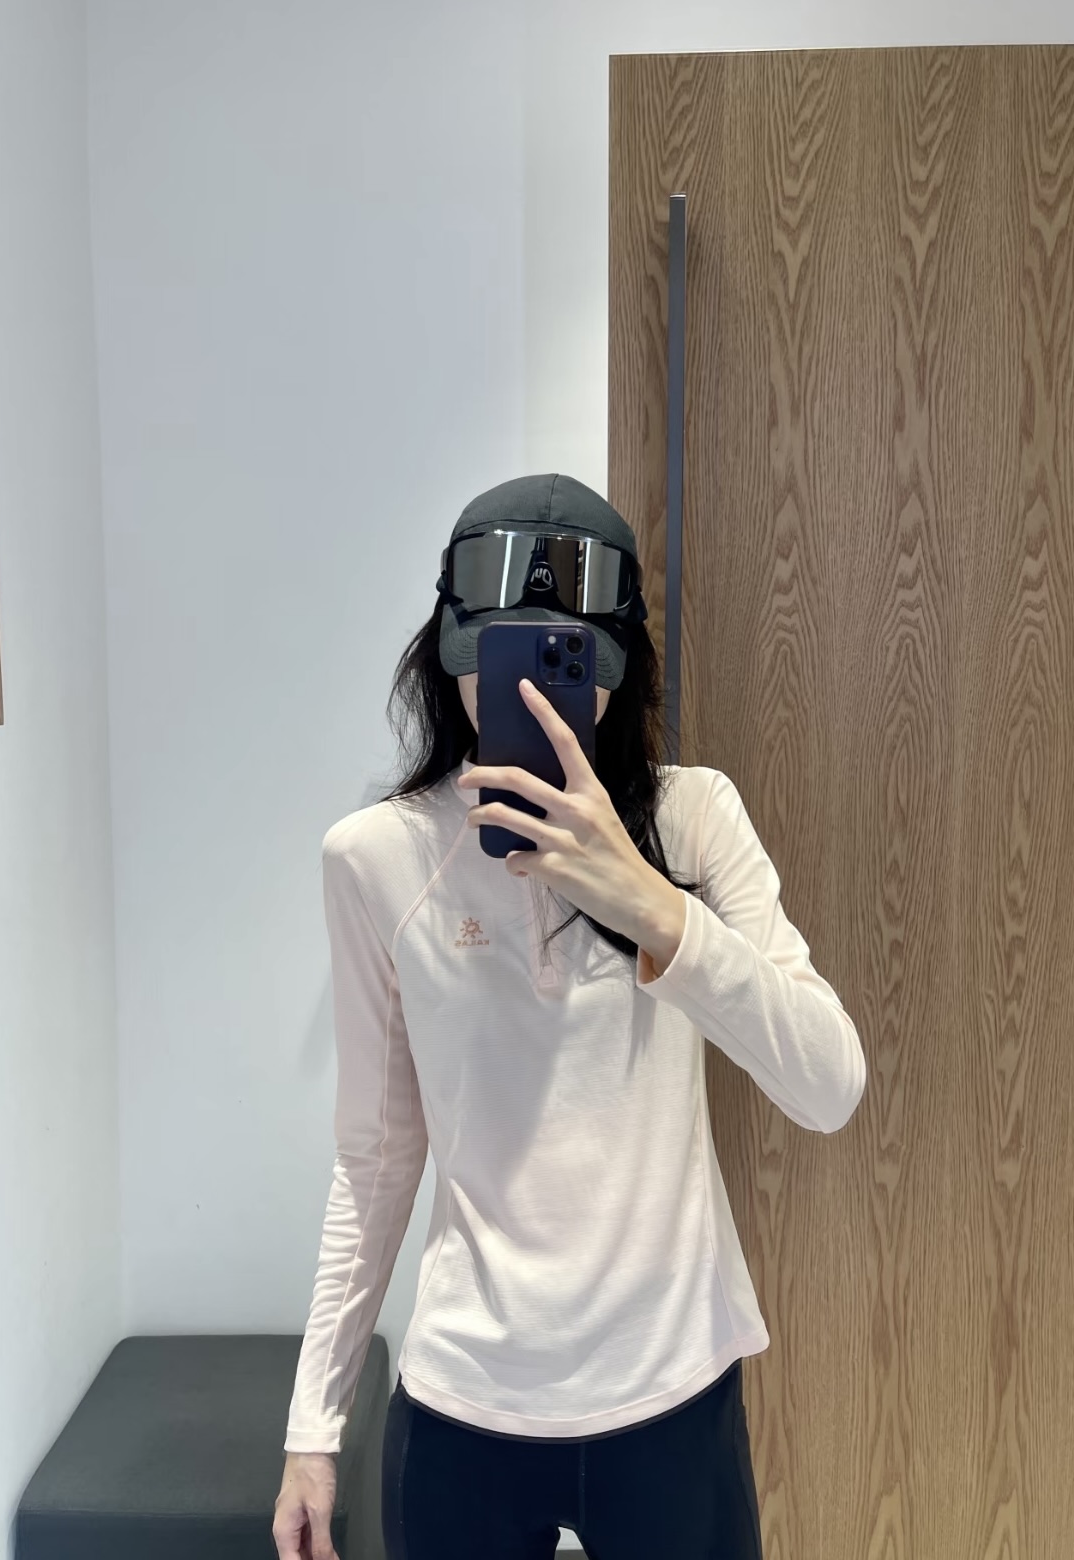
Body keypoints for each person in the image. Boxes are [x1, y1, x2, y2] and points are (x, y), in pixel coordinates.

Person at [272, 474, 866, 1560]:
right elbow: (376, 1158)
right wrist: (314, 1427)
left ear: (616, 665)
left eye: (564, 664)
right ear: (447, 652)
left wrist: (649, 903)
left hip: (673, 1390)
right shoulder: (376, 858)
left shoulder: (694, 819)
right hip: (465, 1405)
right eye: (496, 658)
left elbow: (829, 1085)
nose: (530, 696)